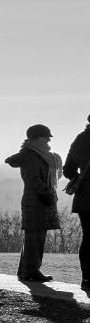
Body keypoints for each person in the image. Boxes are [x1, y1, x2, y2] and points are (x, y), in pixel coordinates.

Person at [4, 124, 62, 282]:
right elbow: (33, 178)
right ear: (36, 138)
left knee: (36, 236)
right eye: (45, 136)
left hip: (38, 199)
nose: (49, 139)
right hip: (36, 200)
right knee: (34, 238)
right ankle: (31, 272)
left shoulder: (37, 154)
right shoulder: (32, 155)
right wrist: (47, 193)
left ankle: (27, 271)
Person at [65, 115, 90, 285]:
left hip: (85, 196)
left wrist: (82, 178)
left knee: (88, 237)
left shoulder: (80, 139)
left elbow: (68, 170)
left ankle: (87, 277)